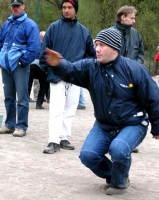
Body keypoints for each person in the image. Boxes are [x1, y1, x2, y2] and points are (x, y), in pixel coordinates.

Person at [45, 27, 159, 195]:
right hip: (104, 125)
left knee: (118, 149)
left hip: (132, 124)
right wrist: (58, 64)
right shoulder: (90, 67)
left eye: (101, 45)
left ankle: (119, 183)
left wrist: (157, 127)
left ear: (114, 48)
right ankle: (115, 175)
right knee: (87, 155)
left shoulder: (134, 69)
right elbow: (70, 70)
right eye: (96, 44)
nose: (96, 49)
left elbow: (153, 99)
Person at [40, 0, 96, 154]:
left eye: (70, 7)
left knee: (70, 108)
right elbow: (44, 53)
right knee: (56, 109)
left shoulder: (83, 31)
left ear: (75, 9)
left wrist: (83, 71)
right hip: (57, 76)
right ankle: (53, 140)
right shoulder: (53, 28)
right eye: (64, 7)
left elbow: (91, 55)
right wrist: (50, 70)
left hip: (75, 77)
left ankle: (64, 136)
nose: (66, 10)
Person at [0, 0, 41, 137]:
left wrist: (22, 62)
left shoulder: (30, 25)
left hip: (20, 67)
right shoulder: (7, 24)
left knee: (22, 98)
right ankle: (9, 124)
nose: (15, 8)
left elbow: (35, 48)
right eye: (13, 6)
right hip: (6, 66)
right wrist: (1, 57)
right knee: (8, 97)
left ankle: (21, 126)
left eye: (18, 6)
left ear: (23, 6)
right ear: (11, 7)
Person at [113, 5, 145, 153]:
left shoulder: (136, 34)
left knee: (132, 109)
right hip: (114, 77)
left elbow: (141, 53)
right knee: (115, 108)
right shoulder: (111, 33)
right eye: (132, 18)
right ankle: (115, 139)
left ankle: (128, 140)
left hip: (132, 77)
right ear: (123, 17)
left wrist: (136, 67)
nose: (134, 21)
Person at [28, 31, 48, 109]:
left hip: (32, 65)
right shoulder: (47, 45)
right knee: (43, 85)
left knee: (28, 84)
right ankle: (39, 104)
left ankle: (25, 101)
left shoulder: (34, 43)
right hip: (41, 66)